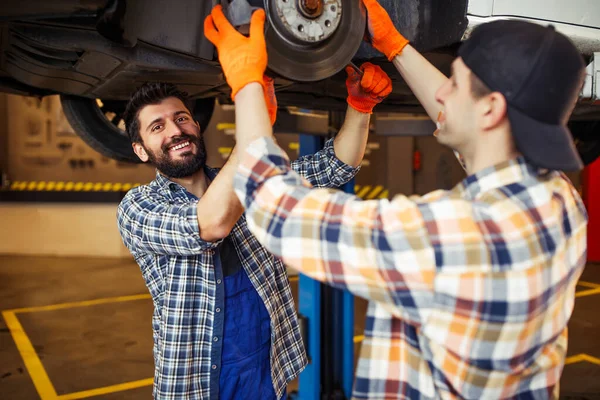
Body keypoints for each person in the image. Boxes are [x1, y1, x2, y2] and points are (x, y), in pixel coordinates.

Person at [225, 0, 589, 398]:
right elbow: (483, 143)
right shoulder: (560, 203)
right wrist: (395, 45)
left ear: (491, 109)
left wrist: (246, 86)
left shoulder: (453, 235)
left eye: (454, 81)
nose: (442, 92)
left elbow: (281, 212)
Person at [116, 5, 393, 399]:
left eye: (181, 119)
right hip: (196, 383)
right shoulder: (138, 208)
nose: (175, 131)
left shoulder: (251, 177)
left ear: (197, 125)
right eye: (157, 127)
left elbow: (336, 167)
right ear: (141, 150)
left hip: (266, 371)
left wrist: (360, 107)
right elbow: (209, 224)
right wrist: (251, 139)